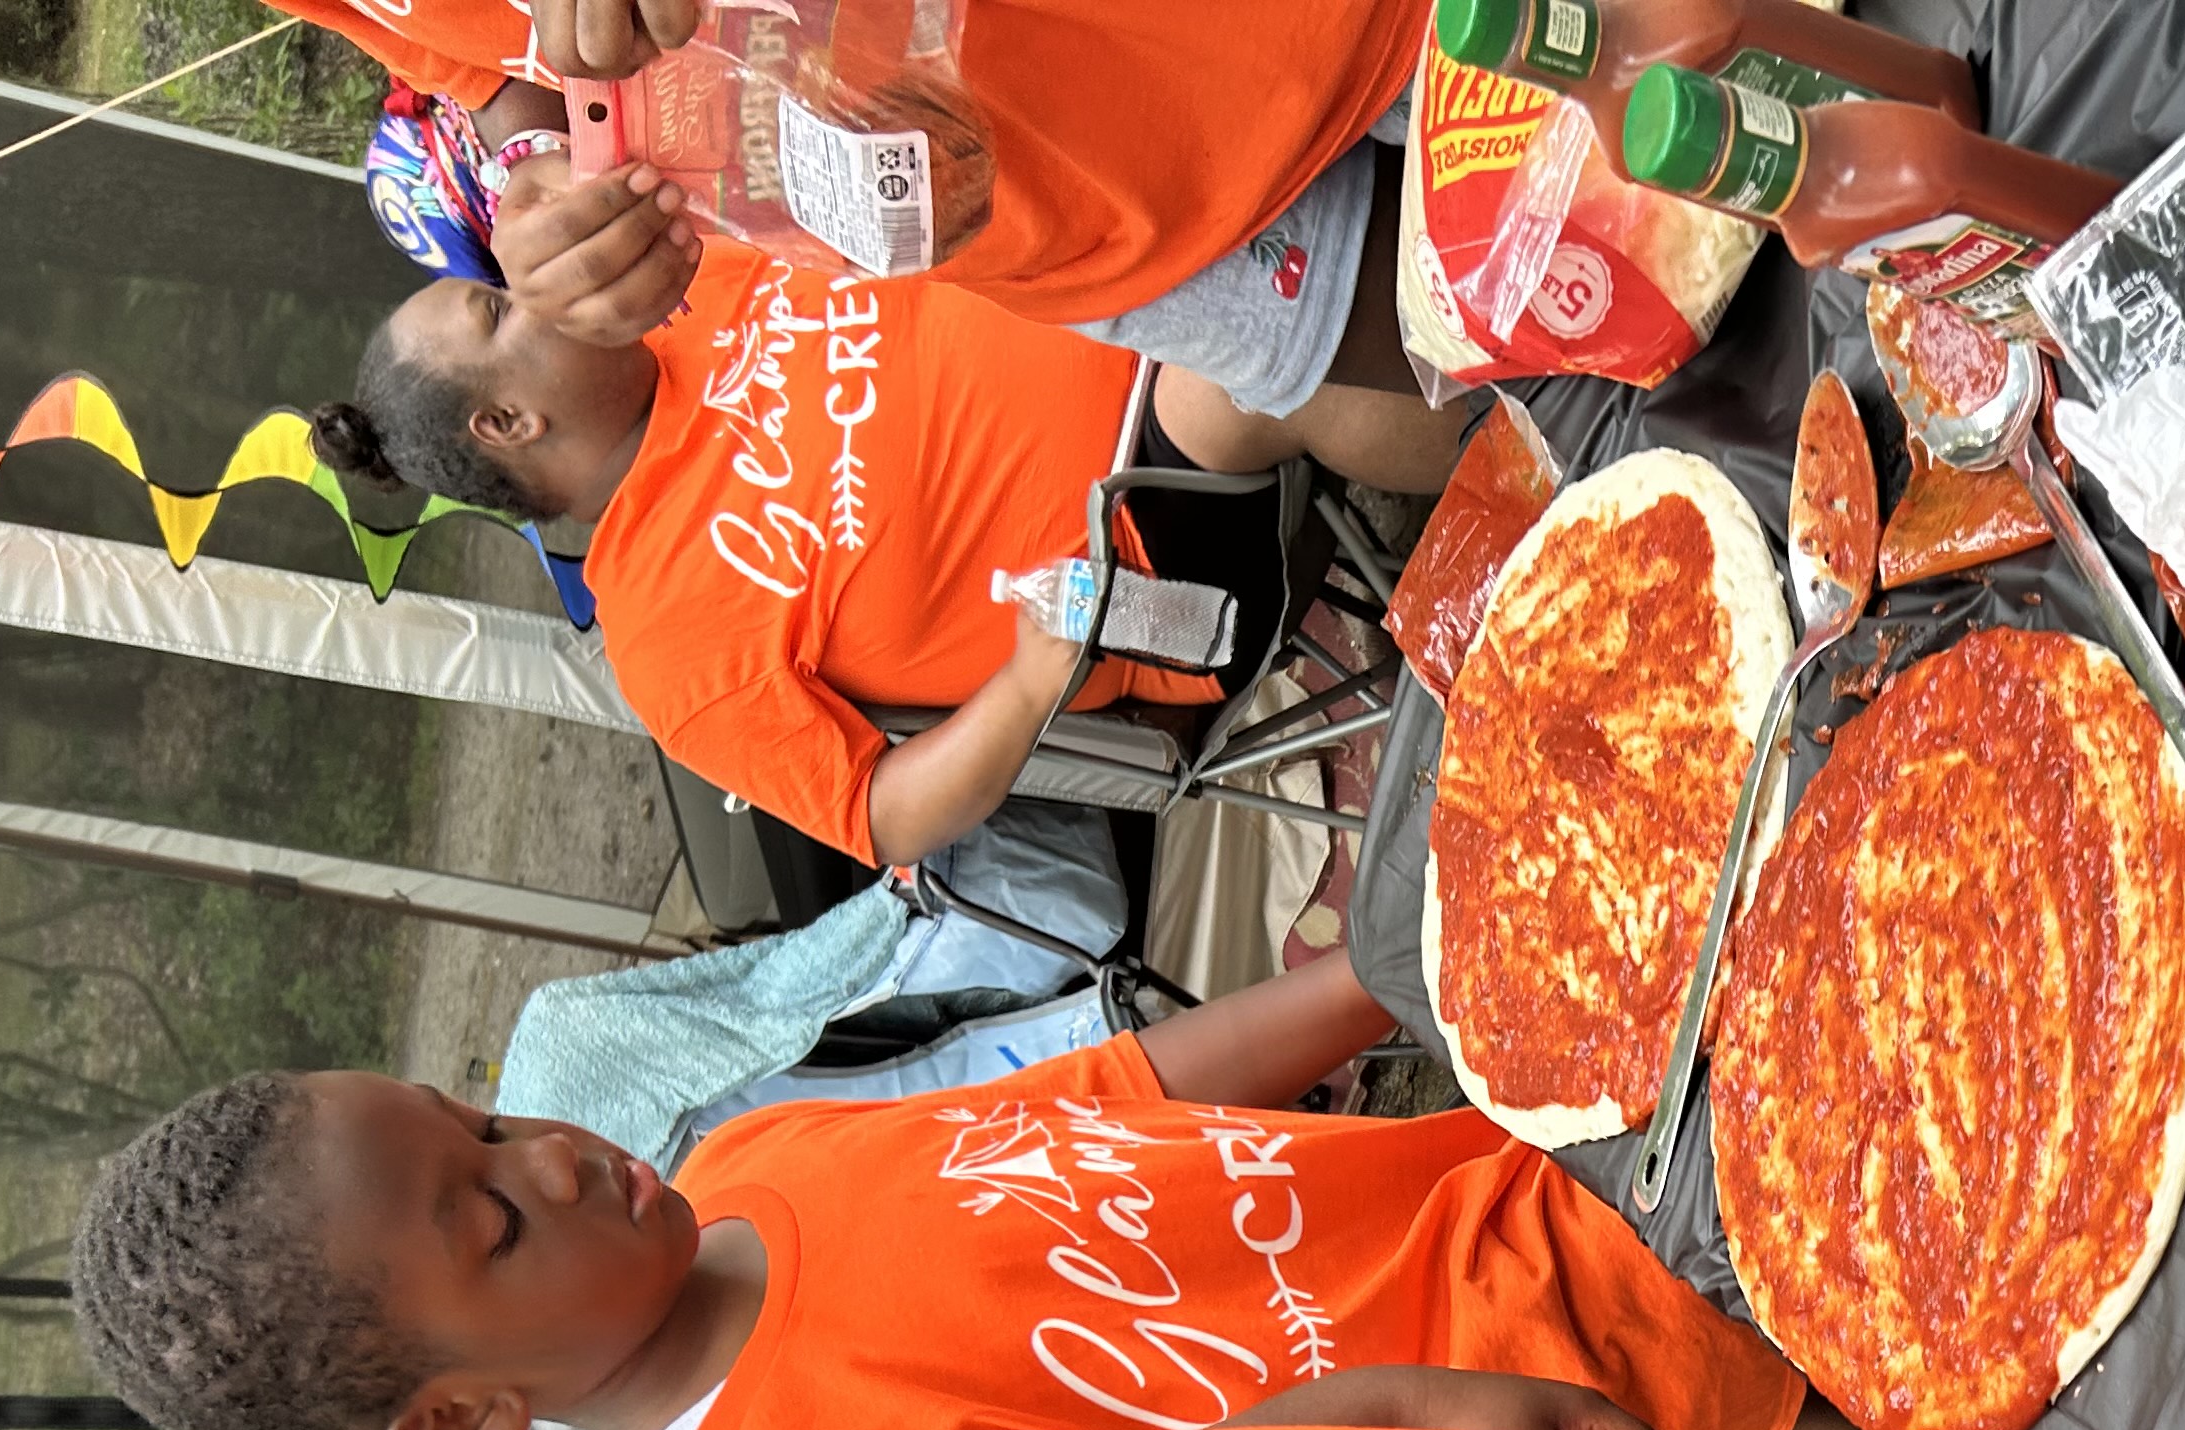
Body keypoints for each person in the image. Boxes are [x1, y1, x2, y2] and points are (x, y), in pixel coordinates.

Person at [69, 949, 1819, 1430]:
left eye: (487, 1116)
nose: (555, 1154)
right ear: (461, 1419)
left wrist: (1390, 960)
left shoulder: (758, 1158)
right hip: (1595, 1402)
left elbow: (1123, 1093)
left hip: (1557, 1162)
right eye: (491, 1217)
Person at [305, 235, 1376, 867]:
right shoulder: (670, 645)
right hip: (1153, 546)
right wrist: (1025, 682)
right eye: (501, 307)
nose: (537, 290)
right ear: (505, 425)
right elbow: (881, 815)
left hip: (1112, 287)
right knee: (1257, 327)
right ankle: (1529, 400)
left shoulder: (688, 287)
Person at [262, 0, 1453, 492]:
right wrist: (535, 176)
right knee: (1520, 330)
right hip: (1031, 211)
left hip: (1211, 27)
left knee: (1612, 79)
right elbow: (475, 63)